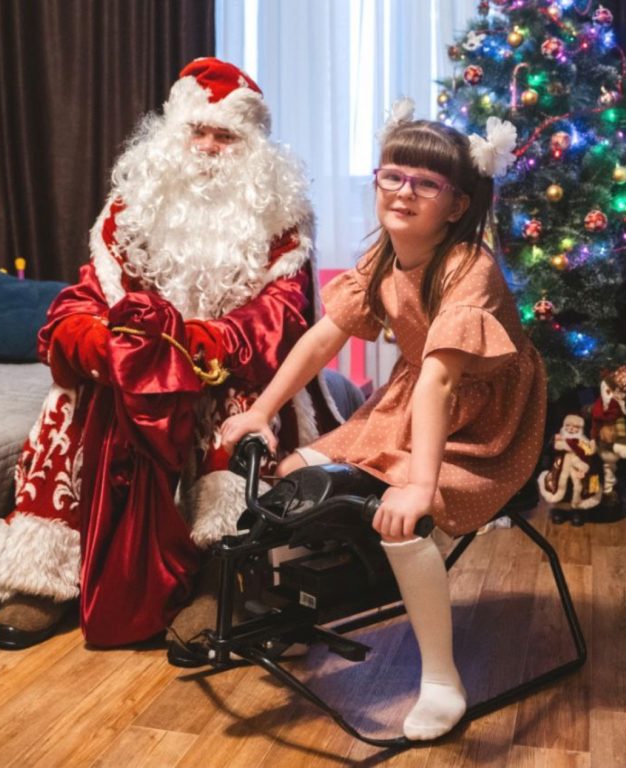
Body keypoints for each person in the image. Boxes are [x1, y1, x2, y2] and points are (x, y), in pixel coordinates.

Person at [0, 57, 337, 651]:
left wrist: (199, 346)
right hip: (139, 365)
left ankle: (222, 575)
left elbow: (284, 315)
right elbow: (89, 293)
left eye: (225, 136)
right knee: (71, 399)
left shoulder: (281, 219)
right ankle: (45, 574)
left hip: (226, 366)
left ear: (252, 149)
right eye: (198, 131)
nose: (208, 147)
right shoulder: (130, 207)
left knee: (238, 414)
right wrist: (92, 340)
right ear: (173, 134)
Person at [221, 109, 547, 741]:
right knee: (292, 477)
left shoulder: (467, 268)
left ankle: (442, 680)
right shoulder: (381, 259)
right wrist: (261, 410)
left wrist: (418, 485)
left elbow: (444, 381)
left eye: (426, 183)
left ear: (456, 205)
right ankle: (296, 616)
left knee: (402, 519)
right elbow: (323, 339)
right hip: (411, 398)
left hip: (483, 418)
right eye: (392, 176)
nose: (403, 191)